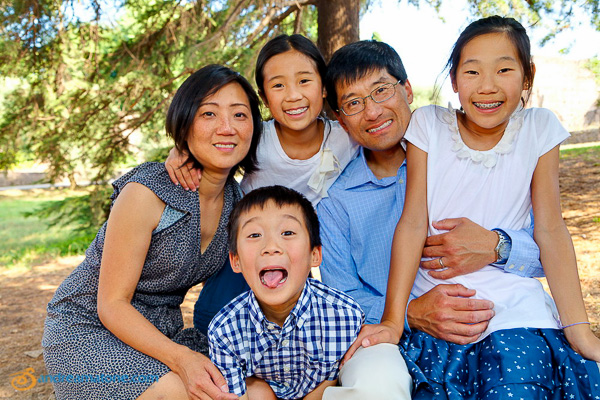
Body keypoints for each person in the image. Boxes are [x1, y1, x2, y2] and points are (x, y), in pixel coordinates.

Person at [357, 16, 600, 398]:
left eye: (504, 69)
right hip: (441, 312)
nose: (487, 85)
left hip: (514, 311)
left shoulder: (539, 129)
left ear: (527, 76)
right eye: (472, 71)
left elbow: (550, 229)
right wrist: (393, 320)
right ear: (454, 80)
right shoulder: (429, 125)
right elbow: (413, 221)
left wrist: (579, 329)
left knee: (516, 386)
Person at [42, 64, 263, 400]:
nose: (227, 128)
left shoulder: (238, 205)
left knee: (243, 388)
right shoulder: (149, 191)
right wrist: (182, 359)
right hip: (86, 328)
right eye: (208, 114)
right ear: (185, 123)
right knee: (181, 392)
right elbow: (112, 304)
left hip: (160, 333)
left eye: (240, 115)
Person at [318, 40, 542, 344]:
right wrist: (410, 312)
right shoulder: (335, 203)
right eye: (353, 103)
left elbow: (544, 254)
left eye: (381, 90)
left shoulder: (468, 157)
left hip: (498, 323)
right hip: (394, 343)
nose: (371, 112)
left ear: (407, 90)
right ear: (342, 120)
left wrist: (496, 245)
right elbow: (339, 299)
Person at [208, 185, 363, 400]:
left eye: (288, 232)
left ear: (315, 255)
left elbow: (333, 380)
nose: (271, 246)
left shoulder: (344, 316)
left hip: (317, 394)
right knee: (257, 392)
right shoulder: (224, 331)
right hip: (262, 393)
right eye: (254, 234)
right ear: (236, 261)